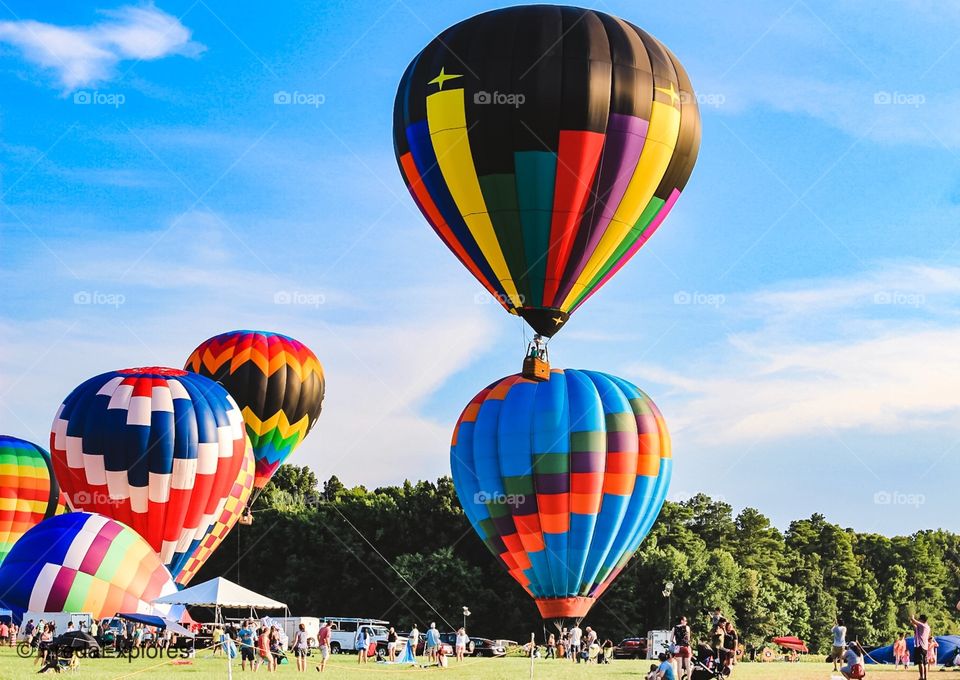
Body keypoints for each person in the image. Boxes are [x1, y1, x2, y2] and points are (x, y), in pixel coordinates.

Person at [672, 615, 692, 680]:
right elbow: (688, 639)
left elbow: (671, 639)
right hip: (686, 647)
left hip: (678, 647)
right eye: (685, 620)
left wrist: (676, 642)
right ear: (681, 621)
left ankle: (679, 679)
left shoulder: (674, 628)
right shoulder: (687, 627)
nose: (686, 622)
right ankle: (688, 679)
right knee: (688, 665)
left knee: (679, 666)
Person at [911, 614, 931, 680]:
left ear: (922, 620)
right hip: (925, 647)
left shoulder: (922, 625)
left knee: (920, 662)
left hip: (920, 646)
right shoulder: (927, 627)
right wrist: (912, 622)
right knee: (925, 663)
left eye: (919, 619)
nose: (919, 620)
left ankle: (921, 677)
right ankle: (926, 677)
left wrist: (912, 616)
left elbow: (913, 620)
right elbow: (915, 626)